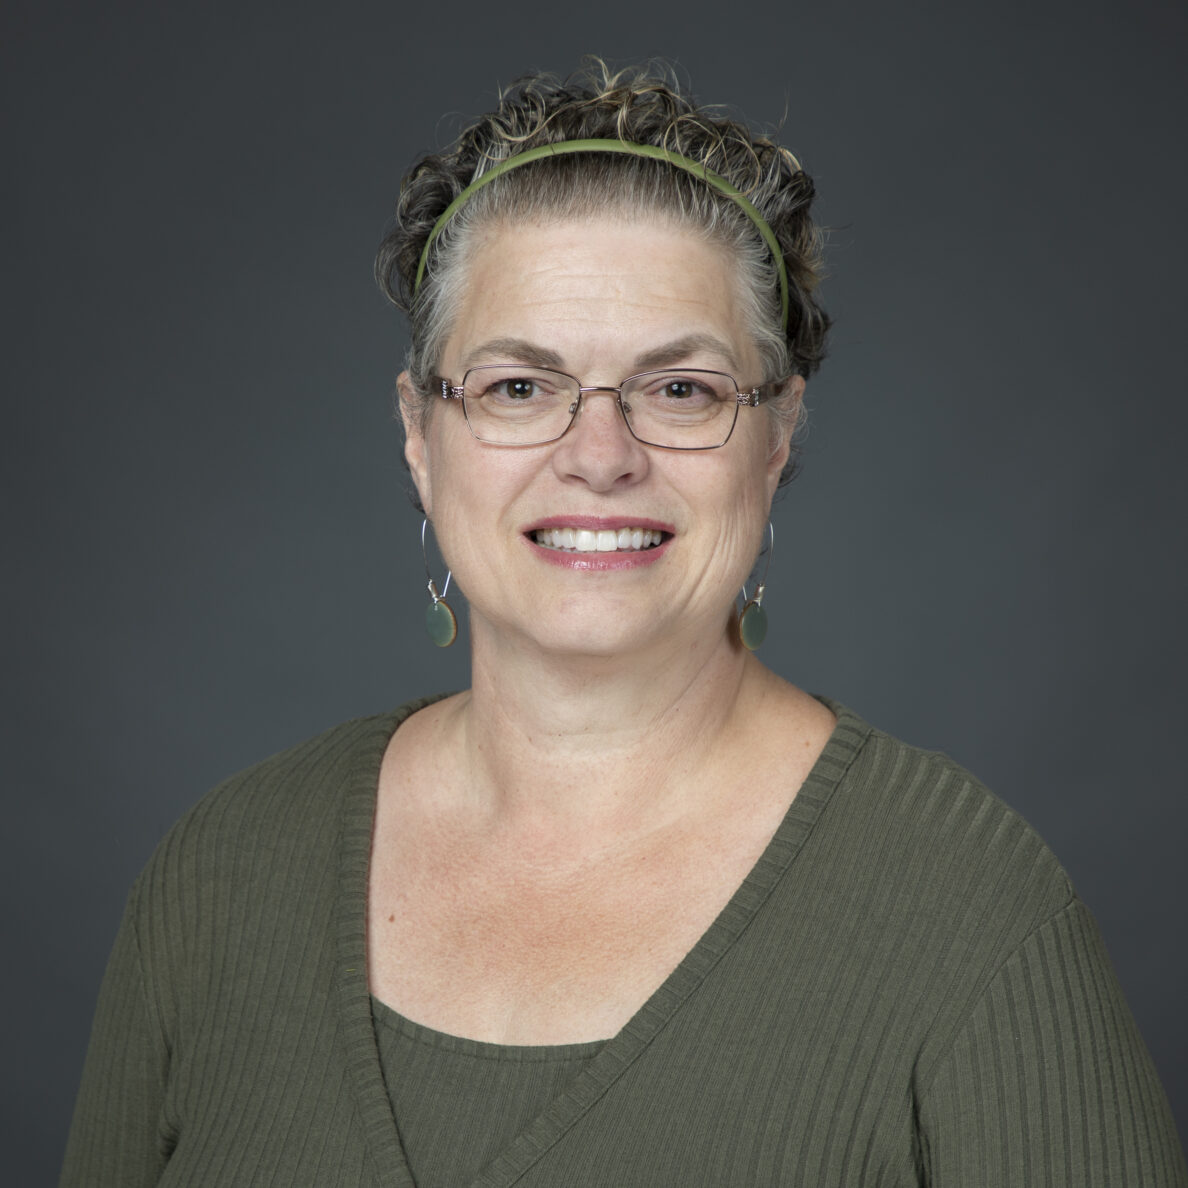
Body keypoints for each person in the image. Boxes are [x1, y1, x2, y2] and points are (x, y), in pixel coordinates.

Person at [61, 61, 1185, 1187]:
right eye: (517, 388)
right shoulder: (217, 883)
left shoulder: (968, 913)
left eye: (681, 389)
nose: (600, 456)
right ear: (419, 432)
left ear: (778, 431)